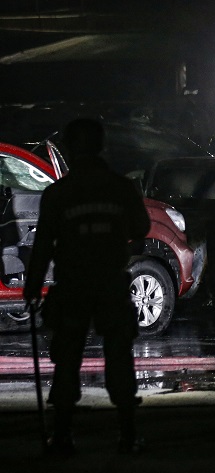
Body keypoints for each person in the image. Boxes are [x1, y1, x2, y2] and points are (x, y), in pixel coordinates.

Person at [23, 118, 150, 455]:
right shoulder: (121, 188)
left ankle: (63, 435)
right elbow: (141, 226)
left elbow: (43, 245)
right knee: (119, 356)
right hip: (110, 281)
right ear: (101, 145)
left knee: (67, 358)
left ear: (69, 148)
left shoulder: (58, 194)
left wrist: (33, 286)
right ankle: (127, 434)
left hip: (73, 285)